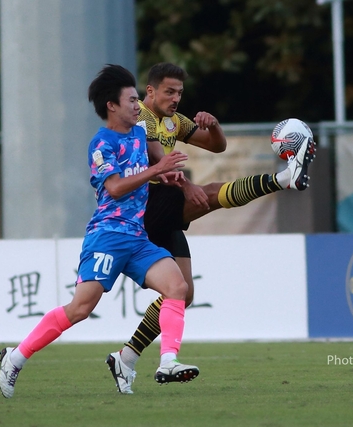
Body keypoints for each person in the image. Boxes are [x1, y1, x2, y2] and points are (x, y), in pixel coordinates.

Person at [105, 62, 316, 394]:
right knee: (212, 193)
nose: (175, 98)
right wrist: (187, 186)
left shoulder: (174, 121)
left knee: (183, 293)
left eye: (179, 92)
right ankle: (282, 179)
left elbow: (217, 146)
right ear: (151, 91)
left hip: (162, 204)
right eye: (169, 92)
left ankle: (126, 358)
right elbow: (158, 161)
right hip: (145, 204)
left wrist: (214, 125)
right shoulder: (142, 116)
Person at [0, 64, 200, 399]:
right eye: (131, 100)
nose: (137, 106)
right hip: (107, 236)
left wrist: (167, 174)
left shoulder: (139, 134)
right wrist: (156, 169)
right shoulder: (101, 144)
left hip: (137, 238)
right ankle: (15, 357)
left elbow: (152, 168)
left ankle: (168, 361)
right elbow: (116, 187)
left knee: (178, 287)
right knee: (80, 309)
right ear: (112, 105)